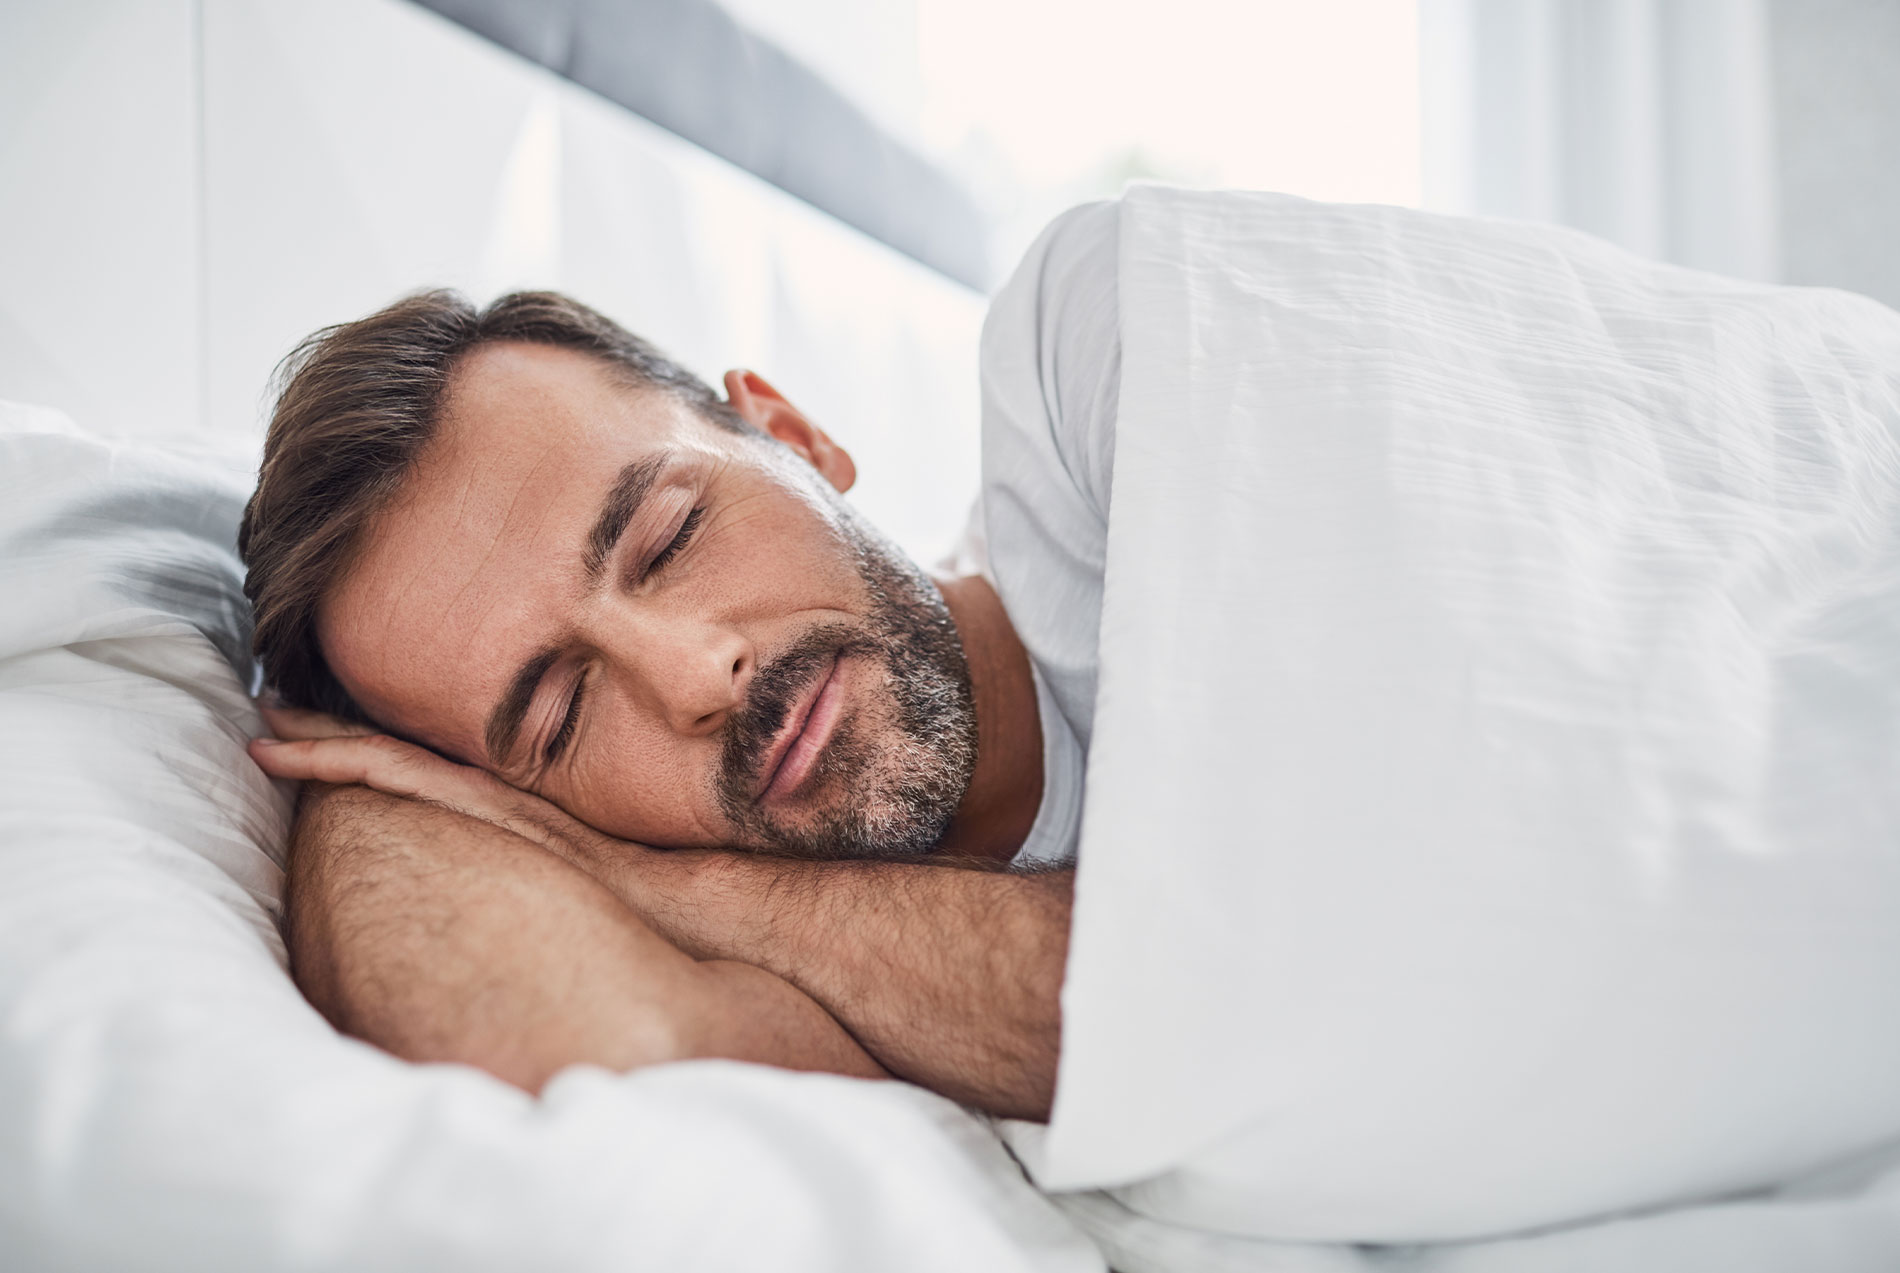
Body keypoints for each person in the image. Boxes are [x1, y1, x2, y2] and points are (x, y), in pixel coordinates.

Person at [241, 203, 1124, 1120]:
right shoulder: (804, 989)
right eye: (560, 717)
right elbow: (566, 1045)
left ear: (794, 434)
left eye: (670, 540)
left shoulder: (1099, 349)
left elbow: (1218, 997)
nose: (698, 678)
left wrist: (653, 879)